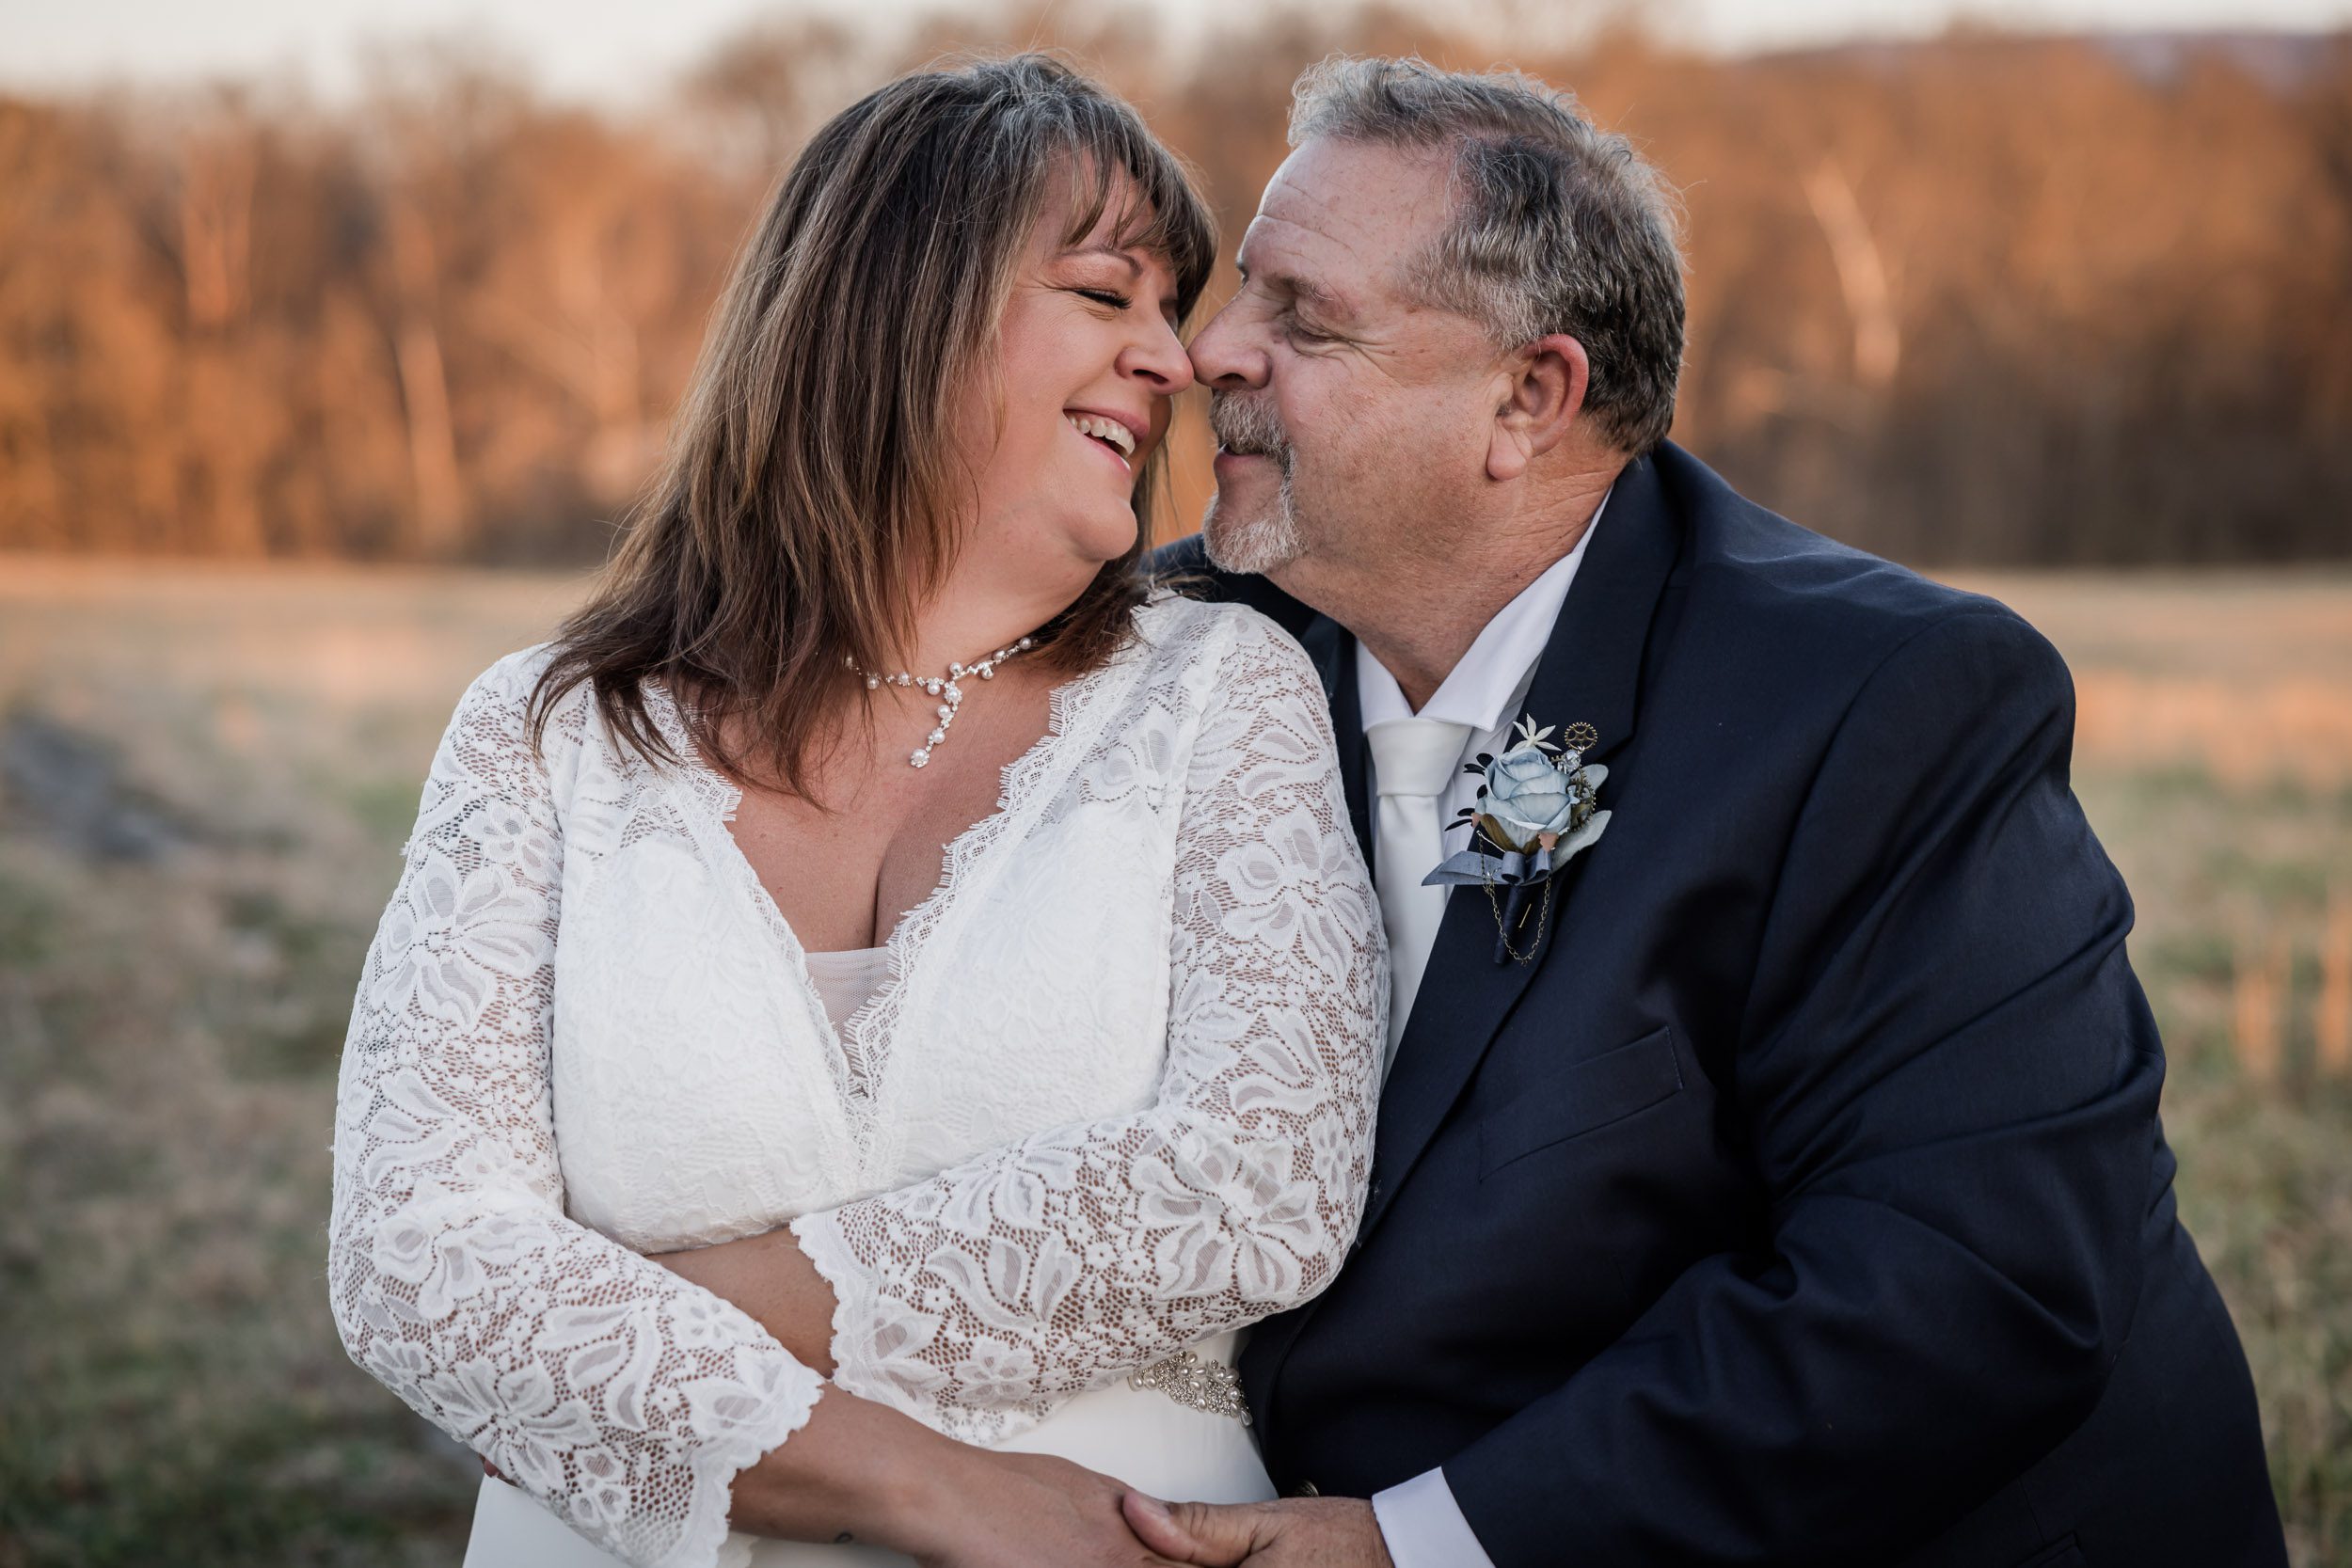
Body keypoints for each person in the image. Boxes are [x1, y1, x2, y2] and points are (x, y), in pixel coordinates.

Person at [1131, 55, 2288, 1568]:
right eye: (1241, 289)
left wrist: (1411, 1547)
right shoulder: (1191, 640)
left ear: (1529, 399)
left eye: (1304, 317)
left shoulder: (1883, 708)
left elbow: (1968, 1283)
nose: (1208, 348)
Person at [326, 56, 1384, 1568]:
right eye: (1107, 294)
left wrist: (636, 1326)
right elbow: (416, 1259)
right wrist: (926, 1487)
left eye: (1171, 312)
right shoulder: (553, 730)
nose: (1174, 361)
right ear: (898, 307)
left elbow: (1259, 1183)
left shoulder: (1222, 691)